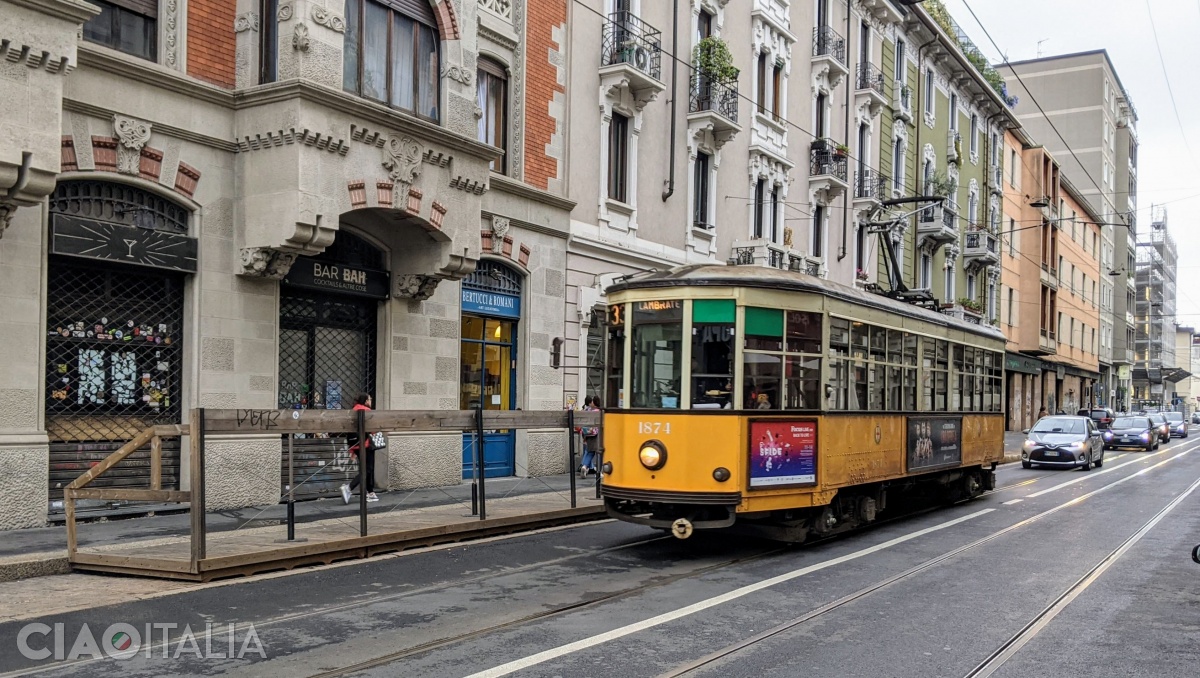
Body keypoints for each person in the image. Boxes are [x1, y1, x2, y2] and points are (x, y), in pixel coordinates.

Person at [341, 393, 379, 504]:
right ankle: (349, 488)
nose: (371, 401)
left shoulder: (353, 411)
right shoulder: (367, 412)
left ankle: (370, 492)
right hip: (366, 444)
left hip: (356, 445)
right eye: (370, 399)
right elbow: (373, 430)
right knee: (367, 469)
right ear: (366, 401)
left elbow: (350, 432)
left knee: (366, 469)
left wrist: (352, 450)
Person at [579, 396, 601, 477]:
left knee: (589, 452)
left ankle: (584, 466)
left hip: (588, 434)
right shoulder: (599, 412)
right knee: (599, 453)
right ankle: (599, 471)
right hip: (597, 435)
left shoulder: (587, 411)